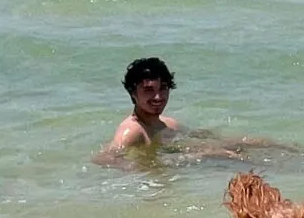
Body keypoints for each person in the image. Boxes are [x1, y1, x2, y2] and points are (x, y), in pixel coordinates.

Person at [95, 57, 288, 166]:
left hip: (179, 151)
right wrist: (140, 169)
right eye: (148, 91)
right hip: (167, 171)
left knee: (249, 144)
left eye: (163, 89)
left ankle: (289, 149)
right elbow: (104, 158)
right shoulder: (132, 131)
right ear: (132, 93)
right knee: (239, 159)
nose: (158, 97)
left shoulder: (167, 123)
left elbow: (202, 137)